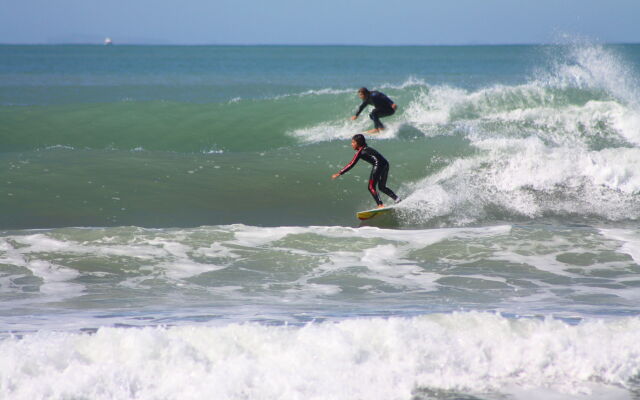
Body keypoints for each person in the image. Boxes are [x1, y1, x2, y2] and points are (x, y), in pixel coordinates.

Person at [332, 134, 401, 208]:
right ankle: (397, 199)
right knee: (381, 187)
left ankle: (380, 205)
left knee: (371, 187)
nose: (351, 144)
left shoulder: (360, 152)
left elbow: (351, 164)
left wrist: (340, 173)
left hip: (378, 165)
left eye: (353, 142)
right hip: (385, 164)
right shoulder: (367, 148)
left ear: (358, 143)